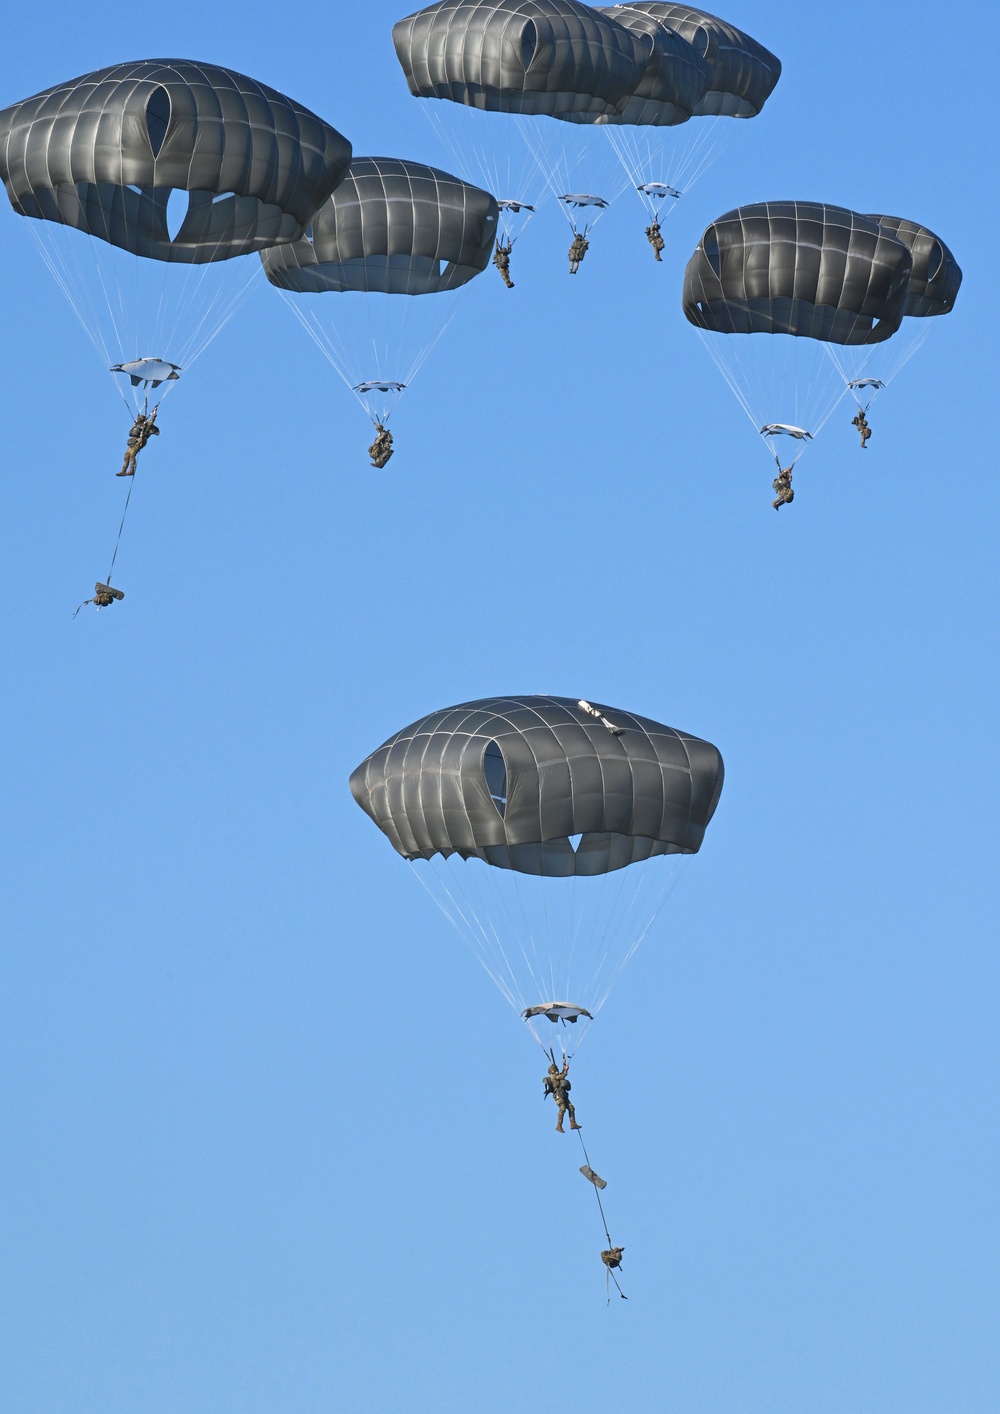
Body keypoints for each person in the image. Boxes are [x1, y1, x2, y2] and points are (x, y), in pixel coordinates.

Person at [116, 406, 160, 476]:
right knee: (126, 455)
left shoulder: (146, 425)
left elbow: (152, 420)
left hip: (139, 441)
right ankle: (123, 470)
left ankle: (131, 470)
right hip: (133, 441)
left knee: (132, 455)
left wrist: (154, 412)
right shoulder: (136, 424)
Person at [543, 1060, 581, 1132]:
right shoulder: (553, 1076)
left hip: (563, 1094)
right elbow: (562, 1076)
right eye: (555, 1070)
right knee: (562, 1108)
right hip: (558, 1095)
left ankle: (573, 1123)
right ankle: (559, 1125)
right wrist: (566, 1070)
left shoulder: (557, 1075)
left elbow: (561, 1075)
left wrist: (564, 1066)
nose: (557, 1071)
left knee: (571, 1108)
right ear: (552, 1071)